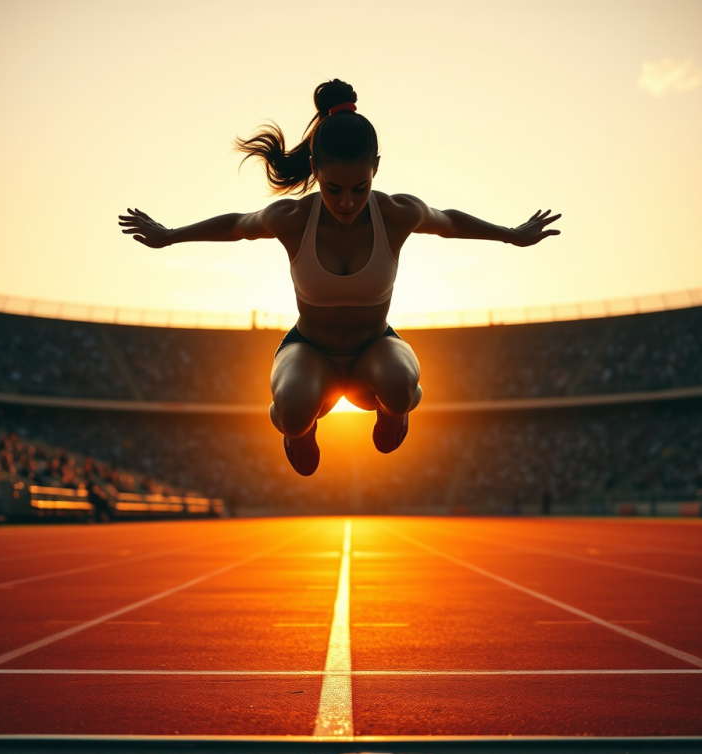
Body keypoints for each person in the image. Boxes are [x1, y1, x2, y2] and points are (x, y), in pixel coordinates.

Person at [119, 79, 561, 476]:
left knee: (402, 386)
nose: (347, 202)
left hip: (375, 347)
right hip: (310, 350)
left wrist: (510, 235)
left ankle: (394, 413)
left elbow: (447, 221)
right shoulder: (293, 218)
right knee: (290, 411)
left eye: (359, 188)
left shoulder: (395, 213)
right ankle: (300, 430)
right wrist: (170, 236)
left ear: (376, 169)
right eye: (333, 189)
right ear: (315, 169)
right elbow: (237, 225)